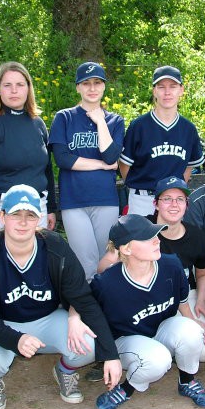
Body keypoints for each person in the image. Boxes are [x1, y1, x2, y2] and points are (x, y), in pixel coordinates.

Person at [0, 185, 122, 409]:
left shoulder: (55, 247)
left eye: (30, 215)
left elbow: (83, 299)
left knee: (88, 344)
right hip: (1, 323)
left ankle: (65, 370)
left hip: (46, 319)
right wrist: (14, 339)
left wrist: (111, 354)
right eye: (15, 214)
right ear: (2, 217)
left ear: (38, 219)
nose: (22, 222)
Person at [90, 215, 205, 409]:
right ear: (126, 249)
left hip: (159, 330)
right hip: (126, 340)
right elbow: (85, 307)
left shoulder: (171, 265)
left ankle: (187, 381)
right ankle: (126, 389)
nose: (157, 240)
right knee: (158, 360)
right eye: (148, 238)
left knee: (192, 331)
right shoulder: (107, 283)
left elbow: (182, 301)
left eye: (156, 234)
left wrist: (193, 322)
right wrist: (109, 355)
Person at [97, 176, 205, 362]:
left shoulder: (196, 236)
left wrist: (201, 301)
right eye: (167, 199)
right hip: (143, 295)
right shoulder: (140, 228)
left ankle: (169, 348)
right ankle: (151, 351)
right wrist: (131, 274)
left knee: (204, 350)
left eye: (180, 199)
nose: (174, 205)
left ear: (187, 204)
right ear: (155, 203)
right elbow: (104, 266)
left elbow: (204, 272)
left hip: (182, 296)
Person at [48, 62, 124, 281]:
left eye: (97, 83)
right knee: (85, 262)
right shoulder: (64, 117)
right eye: (86, 83)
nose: (92, 88)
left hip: (105, 200)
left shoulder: (114, 121)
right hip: (74, 201)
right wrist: (100, 165)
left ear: (104, 87)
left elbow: (111, 156)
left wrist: (100, 120)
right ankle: (88, 311)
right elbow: (63, 159)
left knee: (108, 259)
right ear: (78, 87)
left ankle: (109, 308)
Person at [0, 61, 56, 243]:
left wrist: (51, 208)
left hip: (37, 209)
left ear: (28, 88)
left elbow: (46, 170)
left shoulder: (37, 123)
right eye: (7, 85)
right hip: (0, 209)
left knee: (35, 266)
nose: (14, 90)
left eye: (20, 85)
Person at [119, 66, 204, 216]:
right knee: (141, 239)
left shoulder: (188, 129)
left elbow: (189, 167)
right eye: (161, 87)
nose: (167, 92)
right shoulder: (139, 126)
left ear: (181, 90)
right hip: (143, 199)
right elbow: (124, 165)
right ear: (154, 91)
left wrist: (174, 191)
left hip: (173, 201)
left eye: (173, 86)